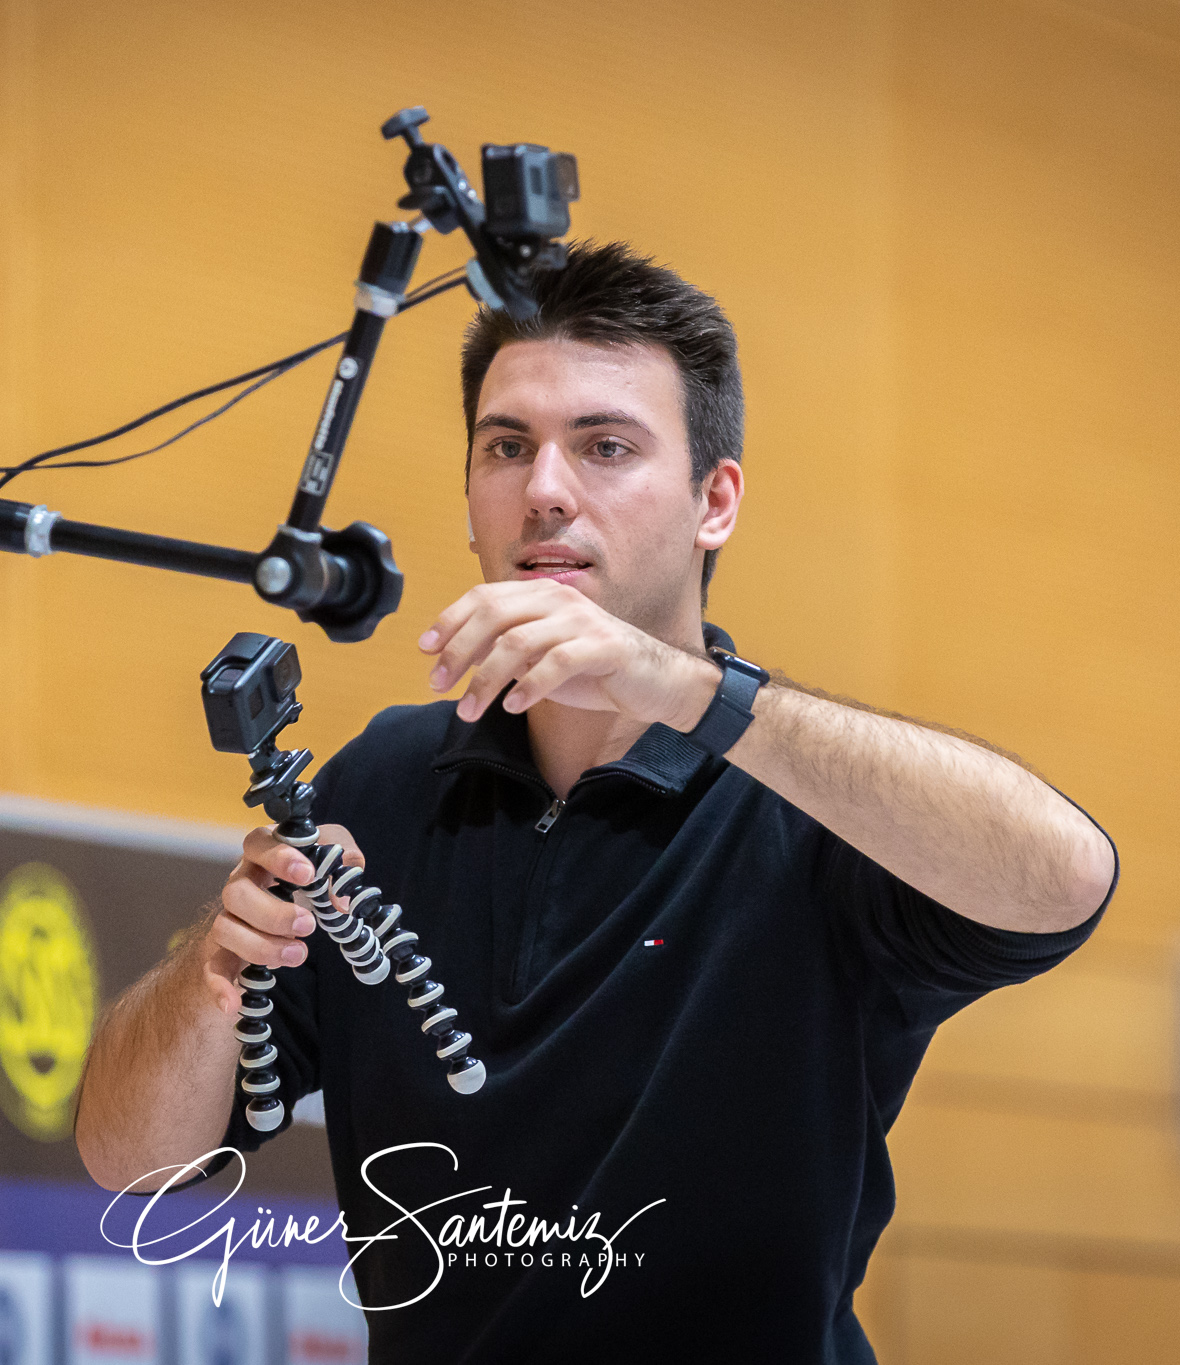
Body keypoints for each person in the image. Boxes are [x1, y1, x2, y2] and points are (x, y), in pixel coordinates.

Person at [75, 241, 1118, 1362]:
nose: (544, 490)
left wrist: (683, 689)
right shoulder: (380, 783)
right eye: (505, 446)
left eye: (605, 446)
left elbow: (1066, 876)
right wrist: (213, 972)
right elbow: (129, 1162)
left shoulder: (808, 797)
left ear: (714, 502)